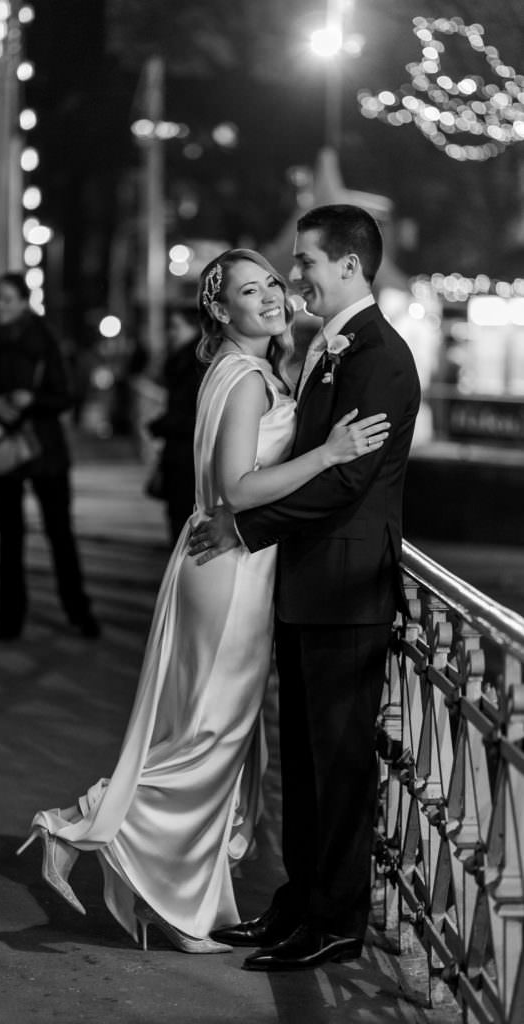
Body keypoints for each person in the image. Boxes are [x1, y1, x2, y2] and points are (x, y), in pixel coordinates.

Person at [15, 248, 389, 954]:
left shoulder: (235, 369)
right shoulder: (246, 377)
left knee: (211, 735)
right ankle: (86, 827)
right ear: (221, 310)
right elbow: (239, 488)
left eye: (273, 284)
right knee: (209, 738)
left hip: (219, 561)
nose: (273, 297)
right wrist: (329, 452)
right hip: (230, 568)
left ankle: (182, 899)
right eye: (252, 291)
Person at [189, 205, 422, 971]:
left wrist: (245, 529)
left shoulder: (379, 358)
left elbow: (347, 480)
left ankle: (335, 921)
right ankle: (299, 902)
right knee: (307, 763)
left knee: (341, 765)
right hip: (306, 586)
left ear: (349, 265)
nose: (295, 278)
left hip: (347, 589)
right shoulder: (330, 350)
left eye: (306, 263)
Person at [0, 272, 100, 640]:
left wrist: (31, 401)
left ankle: (78, 611)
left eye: (6, 299)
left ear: (23, 302)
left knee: (59, 532)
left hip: (44, 447)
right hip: (3, 449)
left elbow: (65, 395)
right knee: (10, 536)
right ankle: (9, 618)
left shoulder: (44, 340)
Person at [147, 306, 205, 545]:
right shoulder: (184, 358)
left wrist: (162, 424)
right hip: (181, 452)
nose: (171, 332)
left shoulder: (194, 361)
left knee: (182, 519)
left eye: (176, 326)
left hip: (187, 455)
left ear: (194, 327)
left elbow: (193, 413)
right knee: (179, 517)